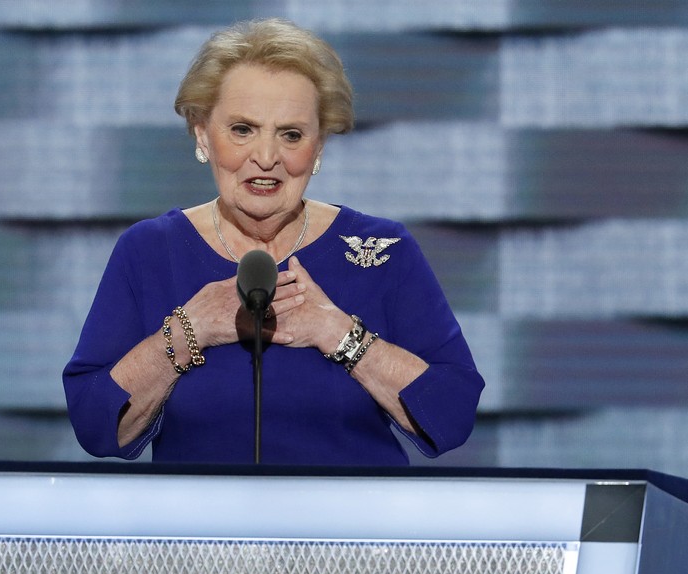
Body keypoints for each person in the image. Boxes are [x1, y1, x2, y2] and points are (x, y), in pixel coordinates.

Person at [63, 18, 484, 466]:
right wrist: (192, 329)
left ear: (318, 146)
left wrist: (337, 332)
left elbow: (452, 413)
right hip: (202, 531)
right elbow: (94, 423)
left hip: (353, 530)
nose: (266, 158)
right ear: (203, 134)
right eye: (242, 129)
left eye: (291, 135)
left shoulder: (381, 249)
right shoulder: (149, 251)